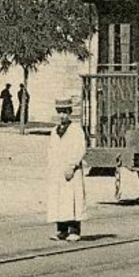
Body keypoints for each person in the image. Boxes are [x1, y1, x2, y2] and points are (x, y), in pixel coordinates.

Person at [45, 97, 88, 241]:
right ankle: (61, 230)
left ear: (69, 113)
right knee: (59, 199)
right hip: (57, 170)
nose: (62, 116)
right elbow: (51, 150)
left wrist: (73, 165)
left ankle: (74, 230)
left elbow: (81, 149)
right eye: (60, 113)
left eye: (65, 113)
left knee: (72, 199)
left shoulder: (76, 130)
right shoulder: (54, 131)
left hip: (71, 171)